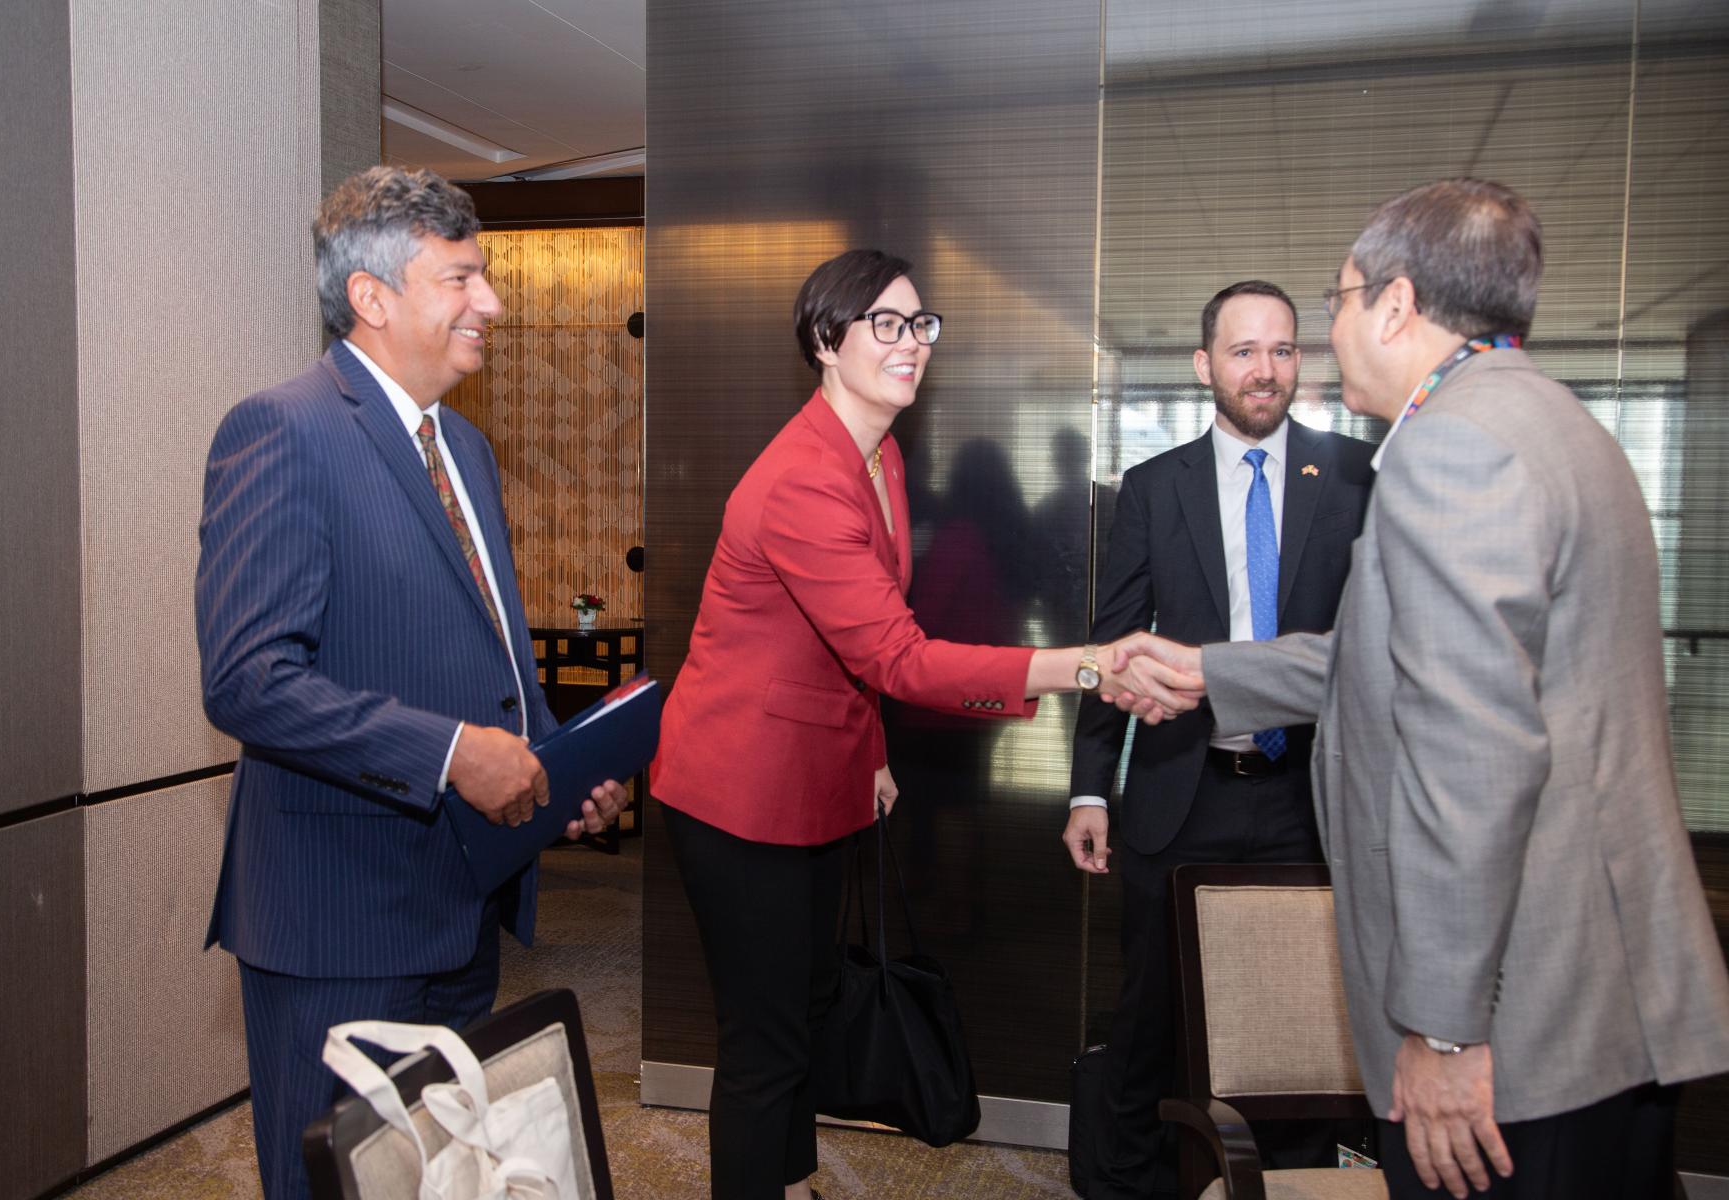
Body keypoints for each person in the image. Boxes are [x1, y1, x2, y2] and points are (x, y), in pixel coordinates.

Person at [1109, 179, 1729, 1199]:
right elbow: (1394, 655)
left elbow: (1473, 759)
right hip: (1603, 993)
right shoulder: (1550, 422)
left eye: (1340, 300)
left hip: (1523, 1016)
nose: (1335, 327)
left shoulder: (1450, 451)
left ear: (1394, 305)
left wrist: (1443, 1031)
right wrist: (1210, 670)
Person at [649, 249, 1197, 1200]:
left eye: (921, 325)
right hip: (738, 790)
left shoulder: (879, 452)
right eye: (887, 325)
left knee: (812, 1005)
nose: (913, 345)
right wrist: (1087, 662)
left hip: (821, 774)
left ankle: (794, 1181)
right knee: (763, 1042)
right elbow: (897, 657)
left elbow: (846, 643)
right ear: (827, 341)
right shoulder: (803, 481)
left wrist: (868, 752)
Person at [194, 165, 628, 1200]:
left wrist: (551, 766)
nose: (491, 304)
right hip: (338, 922)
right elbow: (249, 679)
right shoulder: (283, 430)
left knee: (436, 1183)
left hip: (457, 902)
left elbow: (480, 655)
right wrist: (448, 755)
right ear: (373, 298)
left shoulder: (465, 448)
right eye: (461, 280)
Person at [1063, 281, 1373, 1199]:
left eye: (1282, 349)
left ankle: (1289, 1186)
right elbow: (1110, 647)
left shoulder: (1358, 476)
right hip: (1178, 793)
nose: (1265, 369)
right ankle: (1124, 1186)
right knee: (1149, 1019)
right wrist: (1089, 790)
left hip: (1309, 799)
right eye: (1243, 351)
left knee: (1305, 1024)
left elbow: (1373, 647)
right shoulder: (1154, 490)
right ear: (1206, 365)